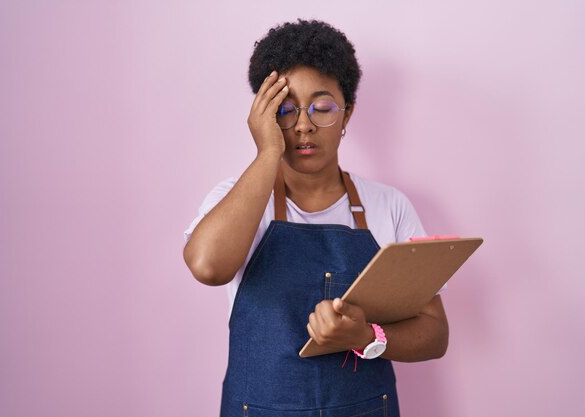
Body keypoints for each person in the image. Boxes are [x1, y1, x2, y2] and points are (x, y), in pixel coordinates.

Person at [183, 19, 448, 417]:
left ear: (348, 114)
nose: (304, 125)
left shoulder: (388, 206)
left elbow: (434, 334)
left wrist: (366, 336)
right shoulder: (233, 200)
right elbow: (207, 266)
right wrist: (267, 152)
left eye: (322, 108)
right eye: (286, 110)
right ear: (264, 116)